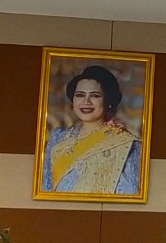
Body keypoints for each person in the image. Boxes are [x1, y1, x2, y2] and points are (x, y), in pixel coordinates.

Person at [40, 64, 140, 194]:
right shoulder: (57, 140)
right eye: (80, 95)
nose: (86, 102)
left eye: (95, 95)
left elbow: (130, 193)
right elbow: (45, 189)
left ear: (108, 100)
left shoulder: (126, 144)